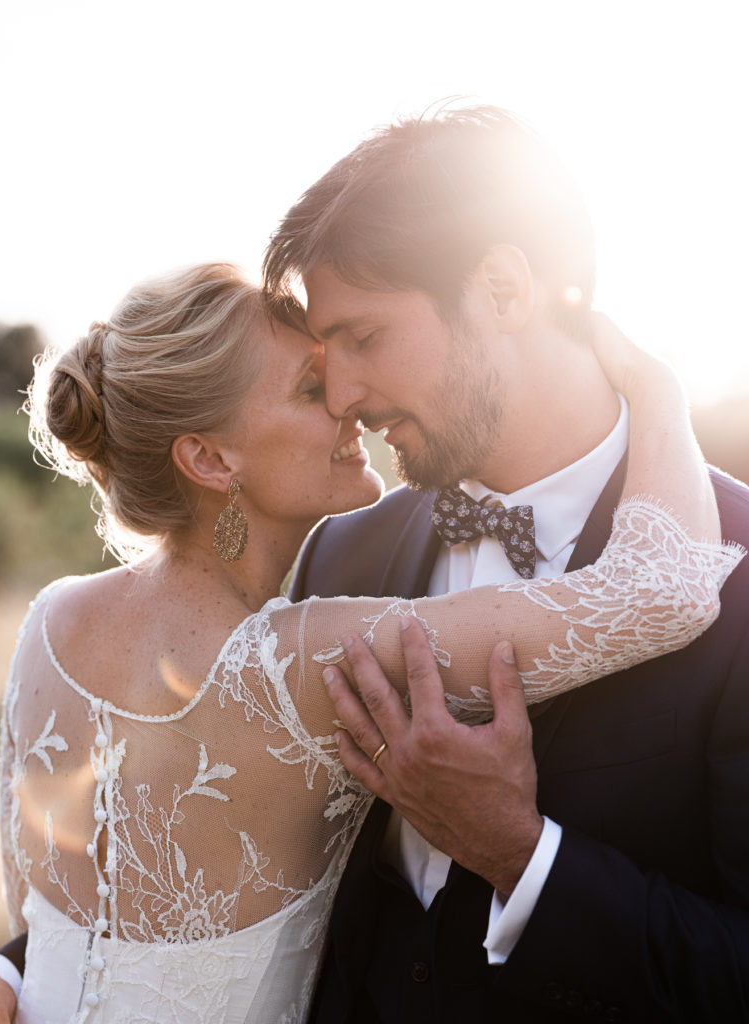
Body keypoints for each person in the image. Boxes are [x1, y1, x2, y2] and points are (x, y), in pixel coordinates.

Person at [0, 257, 741, 1024]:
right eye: (311, 390)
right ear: (210, 459)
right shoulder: (301, 658)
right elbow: (664, 588)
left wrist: (5, 977)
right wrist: (655, 390)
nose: (350, 401)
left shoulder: (51, 622)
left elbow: (70, 922)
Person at [260, 104, 749, 1021]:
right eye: (325, 358)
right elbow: (236, 824)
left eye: (365, 339)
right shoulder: (343, 547)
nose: (343, 396)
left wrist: (524, 857)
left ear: (503, 289)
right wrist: (27, 968)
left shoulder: (740, 565)